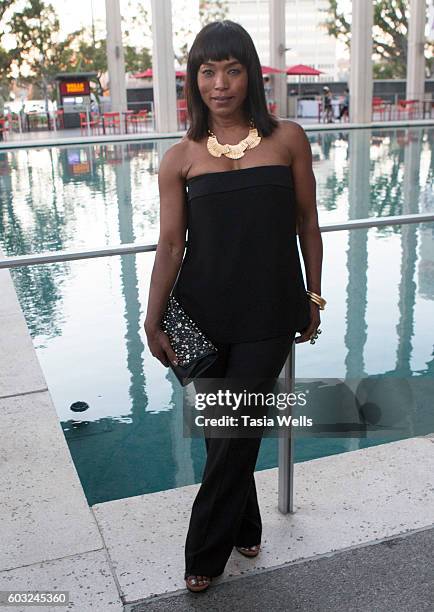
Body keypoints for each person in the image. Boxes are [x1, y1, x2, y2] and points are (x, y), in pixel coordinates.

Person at [144, 20, 324, 593]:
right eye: (207, 71)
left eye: (232, 69)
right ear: (194, 80)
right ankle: (247, 523)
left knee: (236, 424)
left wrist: (313, 294)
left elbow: (306, 223)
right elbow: (171, 245)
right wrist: (152, 316)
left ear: (250, 74)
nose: (219, 83)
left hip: (270, 312)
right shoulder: (180, 158)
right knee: (228, 429)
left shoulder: (288, 139)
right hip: (198, 312)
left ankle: (204, 551)